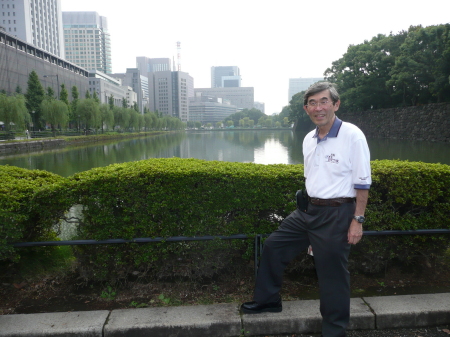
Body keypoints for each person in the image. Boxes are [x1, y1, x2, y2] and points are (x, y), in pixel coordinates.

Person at [240, 82, 371, 337]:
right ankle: (268, 300)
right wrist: (309, 226)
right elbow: (311, 177)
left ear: (336, 104)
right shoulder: (309, 139)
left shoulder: (352, 135)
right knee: (274, 245)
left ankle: (334, 330)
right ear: (306, 108)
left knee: (332, 275)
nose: (318, 108)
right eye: (312, 103)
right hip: (308, 211)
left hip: (337, 213)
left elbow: (362, 182)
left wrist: (358, 219)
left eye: (324, 102)